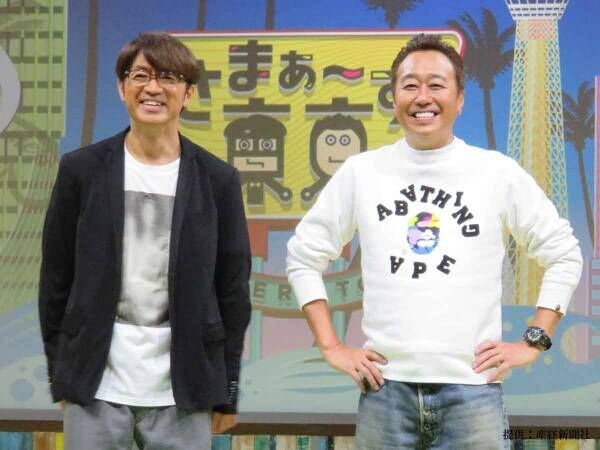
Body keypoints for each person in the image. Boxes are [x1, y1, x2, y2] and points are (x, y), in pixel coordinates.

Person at [286, 34, 582, 449]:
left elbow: (564, 255)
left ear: (459, 99)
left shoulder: (496, 173)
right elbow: (303, 257)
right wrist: (331, 346)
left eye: (436, 85)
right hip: (385, 391)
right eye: (410, 85)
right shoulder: (362, 172)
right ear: (394, 98)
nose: (422, 97)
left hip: (473, 392)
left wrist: (534, 341)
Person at [39, 32, 251, 450]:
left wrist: (227, 390)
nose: (153, 88)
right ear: (122, 88)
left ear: (188, 94)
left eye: (168, 77)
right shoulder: (81, 170)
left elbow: (232, 291)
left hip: (184, 387)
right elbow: (56, 279)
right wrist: (59, 373)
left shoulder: (218, 179)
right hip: (95, 383)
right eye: (140, 76)